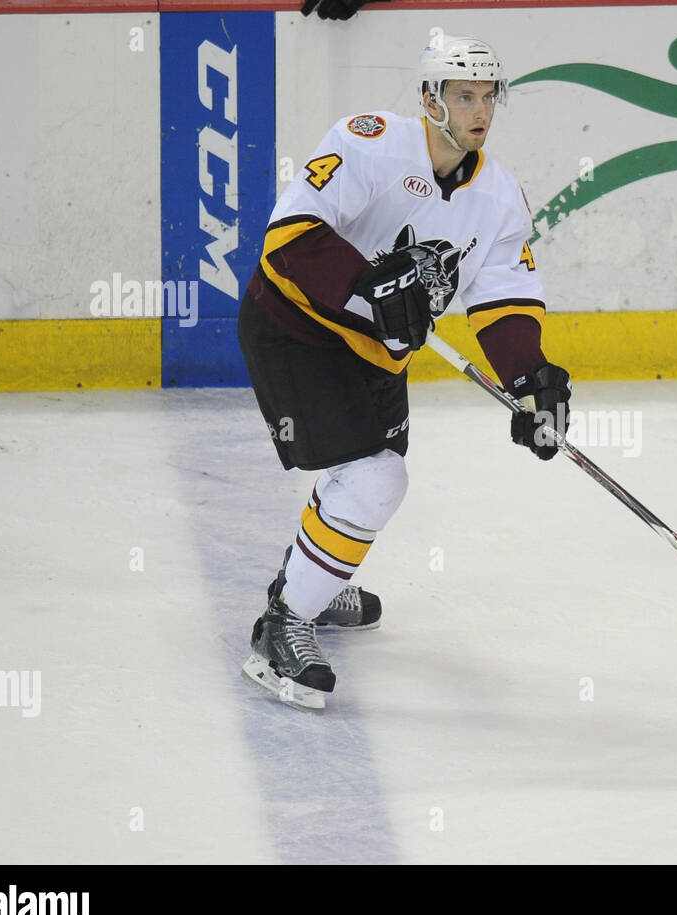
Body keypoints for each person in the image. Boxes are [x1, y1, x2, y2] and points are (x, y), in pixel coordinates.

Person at [237, 33, 571, 711]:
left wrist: (531, 377)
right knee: (375, 478)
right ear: (430, 98)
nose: (481, 111)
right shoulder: (369, 142)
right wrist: (368, 286)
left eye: (489, 97)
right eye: (465, 95)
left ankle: (311, 581)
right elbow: (288, 237)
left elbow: (504, 301)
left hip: (377, 356)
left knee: (359, 477)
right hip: (296, 332)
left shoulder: (501, 196)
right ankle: (284, 623)